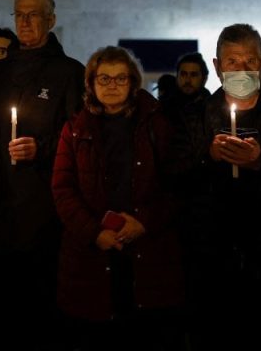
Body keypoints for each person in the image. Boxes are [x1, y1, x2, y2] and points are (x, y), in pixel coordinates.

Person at [176, 23, 261, 350]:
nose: (240, 69)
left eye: (248, 61)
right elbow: (175, 175)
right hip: (211, 252)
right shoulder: (195, 116)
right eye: (231, 62)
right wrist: (209, 157)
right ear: (216, 66)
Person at [0, 0, 85, 350]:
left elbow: (79, 137)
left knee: (42, 308)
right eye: (18, 14)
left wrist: (43, 148)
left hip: (44, 210)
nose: (24, 22)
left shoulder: (69, 73)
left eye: (33, 15)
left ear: (51, 20)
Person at [52, 46, 184, 351]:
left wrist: (145, 222)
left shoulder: (157, 124)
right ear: (92, 83)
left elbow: (176, 186)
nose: (112, 86)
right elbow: (62, 190)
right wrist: (94, 232)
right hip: (92, 257)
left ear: (133, 82)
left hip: (147, 254)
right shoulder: (74, 129)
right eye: (104, 79)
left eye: (120, 79)